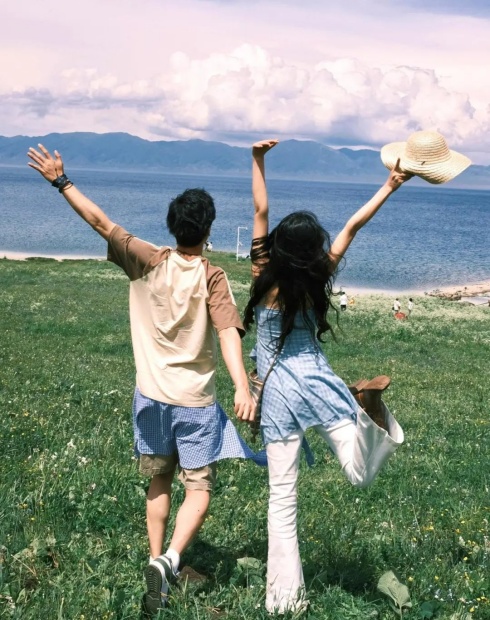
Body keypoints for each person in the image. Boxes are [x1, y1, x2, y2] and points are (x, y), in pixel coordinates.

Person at [27, 144, 258, 618]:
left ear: (173, 226)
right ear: (208, 230)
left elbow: (99, 222)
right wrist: (241, 385)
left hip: (150, 397)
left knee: (159, 479)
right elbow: (227, 333)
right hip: (194, 403)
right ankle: (170, 562)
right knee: (199, 488)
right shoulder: (213, 278)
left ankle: (156, 561)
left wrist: (60, 181)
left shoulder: (146, 259)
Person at [243, 139, 411, 614]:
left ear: (278, 245)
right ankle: (371, 408)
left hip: (278, 391)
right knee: (359, 474)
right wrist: (389, 186)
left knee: (282, 498)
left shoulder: (262, 270)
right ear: (313, 249)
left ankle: (285, 600)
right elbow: (353, 225)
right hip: (317, 380)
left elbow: (260, 208)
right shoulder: (319, 274)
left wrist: (257, 159)